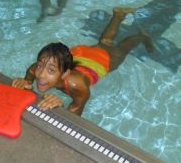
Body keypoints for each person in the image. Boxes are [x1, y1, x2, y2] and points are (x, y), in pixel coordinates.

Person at [12, 7, 154, 115]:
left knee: (122, 48)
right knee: (105, 41)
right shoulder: (34, 69)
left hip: (100, 61)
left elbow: (73, 121)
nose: (41, 75)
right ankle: (118, 15)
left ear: (64, 74)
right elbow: (28, 84)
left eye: (50, 70)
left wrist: (59, 107)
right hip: (80, 54)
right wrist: (24, 83)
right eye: (40, 66)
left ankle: (141, 36)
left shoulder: (78, 88)